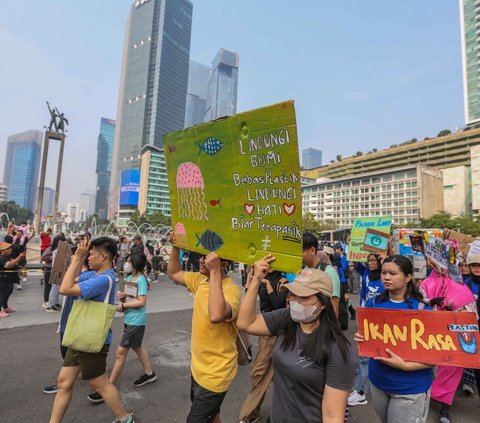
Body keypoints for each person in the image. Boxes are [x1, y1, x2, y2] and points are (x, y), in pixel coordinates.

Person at [238, 255, 356, 423]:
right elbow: (245, 323)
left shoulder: (337, 349)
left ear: (323, 303)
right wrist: (256, 279)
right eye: (292, 294)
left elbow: (332, 416)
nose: (295, 302)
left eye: (304, 297)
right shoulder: (287, 319)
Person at [49, 237, 134, 423]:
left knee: (99, 383)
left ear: (103, 256)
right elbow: (68, 279)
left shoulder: (104, 280)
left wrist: (77, 258)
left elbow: (65, 288)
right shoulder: (94, 275)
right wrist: (77, 259)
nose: (88, 257)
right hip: (81, 336)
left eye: (92, 254)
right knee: (64, 382)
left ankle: (124, 419)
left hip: (92, 339)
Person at [167, 235, 241, 423]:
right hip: (198, 368)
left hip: (217, 372)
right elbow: (174, 273)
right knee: (212, 415)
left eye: (207, 258)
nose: (201, 261)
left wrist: (215, 271)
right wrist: (175, 247)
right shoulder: (201, 280)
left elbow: (216, 315)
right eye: (201, 257)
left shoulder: (231, 290)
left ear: (222, 264)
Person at [355, 255, 434, 423]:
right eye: (384, 273)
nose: (386, 277)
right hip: (378, 383)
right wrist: (362, 339)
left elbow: (435, 357)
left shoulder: (423, 310)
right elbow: (368, 341)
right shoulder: (373, 303)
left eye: (393, 273)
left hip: (410, 389)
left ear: (408, 277)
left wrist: (405, 366)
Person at [87, 252, 156, 404]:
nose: (126, 264)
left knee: (120, 353)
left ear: (136, 263)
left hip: (136, 321)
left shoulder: (141, 279)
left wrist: (123, 305)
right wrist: (123, 296)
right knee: (137, 347)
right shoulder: (129, 278)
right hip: (130, 319)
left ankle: (108, 387)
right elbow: (132, 299)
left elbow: (141, 302)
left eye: (129, 262)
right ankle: (149, 374)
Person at [238, 268, 288, 423]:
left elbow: (278, 304)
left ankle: (247, 415)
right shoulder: (262, 278)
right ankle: (253, 413)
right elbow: (248, 299)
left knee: (259, 373)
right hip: (263, 331)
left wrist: (266, 284)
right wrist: (252, 279)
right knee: (267, 374)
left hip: (274, 332)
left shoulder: (282, 282)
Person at [348, 253, 384, 407]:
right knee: (364, 354)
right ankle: (360, 387)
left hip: (382, 321)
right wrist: (360, 316)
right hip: (367, 318)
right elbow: (363, 298)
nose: (370, 263)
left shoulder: (385, 277)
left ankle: (361, 391)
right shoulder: (366, 276)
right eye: (368, 260)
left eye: (373, 261)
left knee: (368, 355)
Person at [302, 232, 341, 316]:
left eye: (302, 252)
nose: (298, 256)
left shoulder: (329, 272)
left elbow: (334, 308)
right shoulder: (303, 271)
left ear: (312, 250)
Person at [0, 241, 26, 317]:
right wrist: (19, 257)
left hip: (9, 279)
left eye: (9, 248)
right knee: (2, 295)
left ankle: (5, 307)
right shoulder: (2, 258)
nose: (10, 249)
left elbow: (14, 264)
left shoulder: (9, 256)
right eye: (7, 248)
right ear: (2, 251)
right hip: (3, 279)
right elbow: (9, 265)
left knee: (8, 293)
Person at [46, 234, 67, 312]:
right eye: (63, 241)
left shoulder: (56, 249)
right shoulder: (59, 250)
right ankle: (51, 305)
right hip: (58, 271)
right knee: (55, 289)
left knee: (55, 288)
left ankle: (55, 303)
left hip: (56, 270)